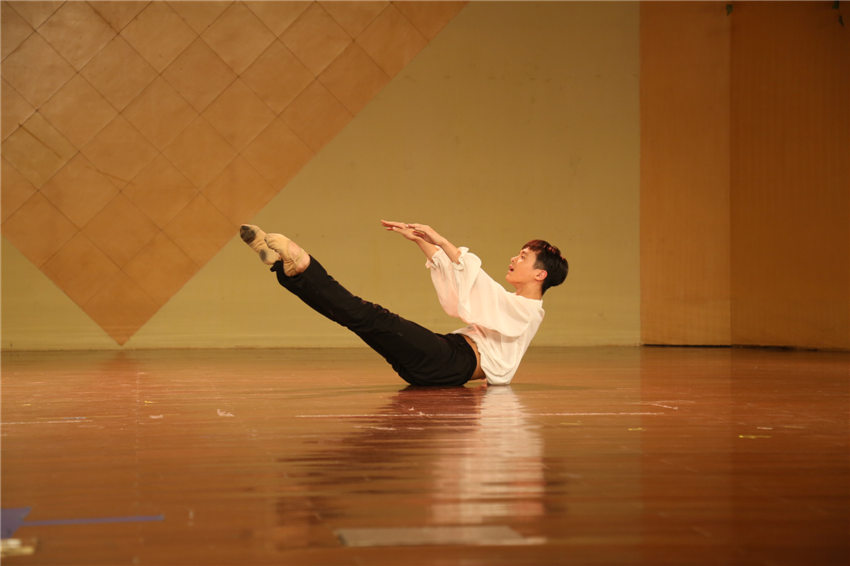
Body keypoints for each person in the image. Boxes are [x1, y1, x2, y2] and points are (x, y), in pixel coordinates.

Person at [240, 221, 568, 387]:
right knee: (357, 319)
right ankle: (289, 270)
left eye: (523, 257)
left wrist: (440, 240)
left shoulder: (529, 312)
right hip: (442, 362)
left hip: (451, 362)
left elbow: (477, 282)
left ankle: (302, 266)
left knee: (369, 316)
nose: (514, 258)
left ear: (539, 274)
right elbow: (461, 278)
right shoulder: (514, 306)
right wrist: (423, 242)